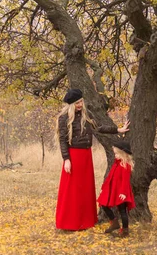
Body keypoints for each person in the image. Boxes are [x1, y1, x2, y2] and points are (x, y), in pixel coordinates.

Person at [55, 88, 129, 231]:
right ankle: (69, 223)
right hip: (73, 155)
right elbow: (62, 140)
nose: (80, 105)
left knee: (85, 189)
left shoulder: (85, 115)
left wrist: (117, 130)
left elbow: (99, 128)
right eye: (77, 103)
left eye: (81, 101)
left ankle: (86, 221)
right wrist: (66, 159)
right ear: (70, 104)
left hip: (86, 156)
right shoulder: (64, 118)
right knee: (72, 191)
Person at [97, 140, 135, 238]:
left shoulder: (125, 165)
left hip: (121, 191)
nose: (116, 156)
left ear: (123, 154)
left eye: (117, 154)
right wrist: (103, 188)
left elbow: (125, 181)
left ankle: (125, 230)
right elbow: (109, 177)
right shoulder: (116, 164)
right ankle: (114, 222)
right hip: (112, 189)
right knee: (104, 204)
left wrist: (123, 192)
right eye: (115, 154)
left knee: (122, 210)